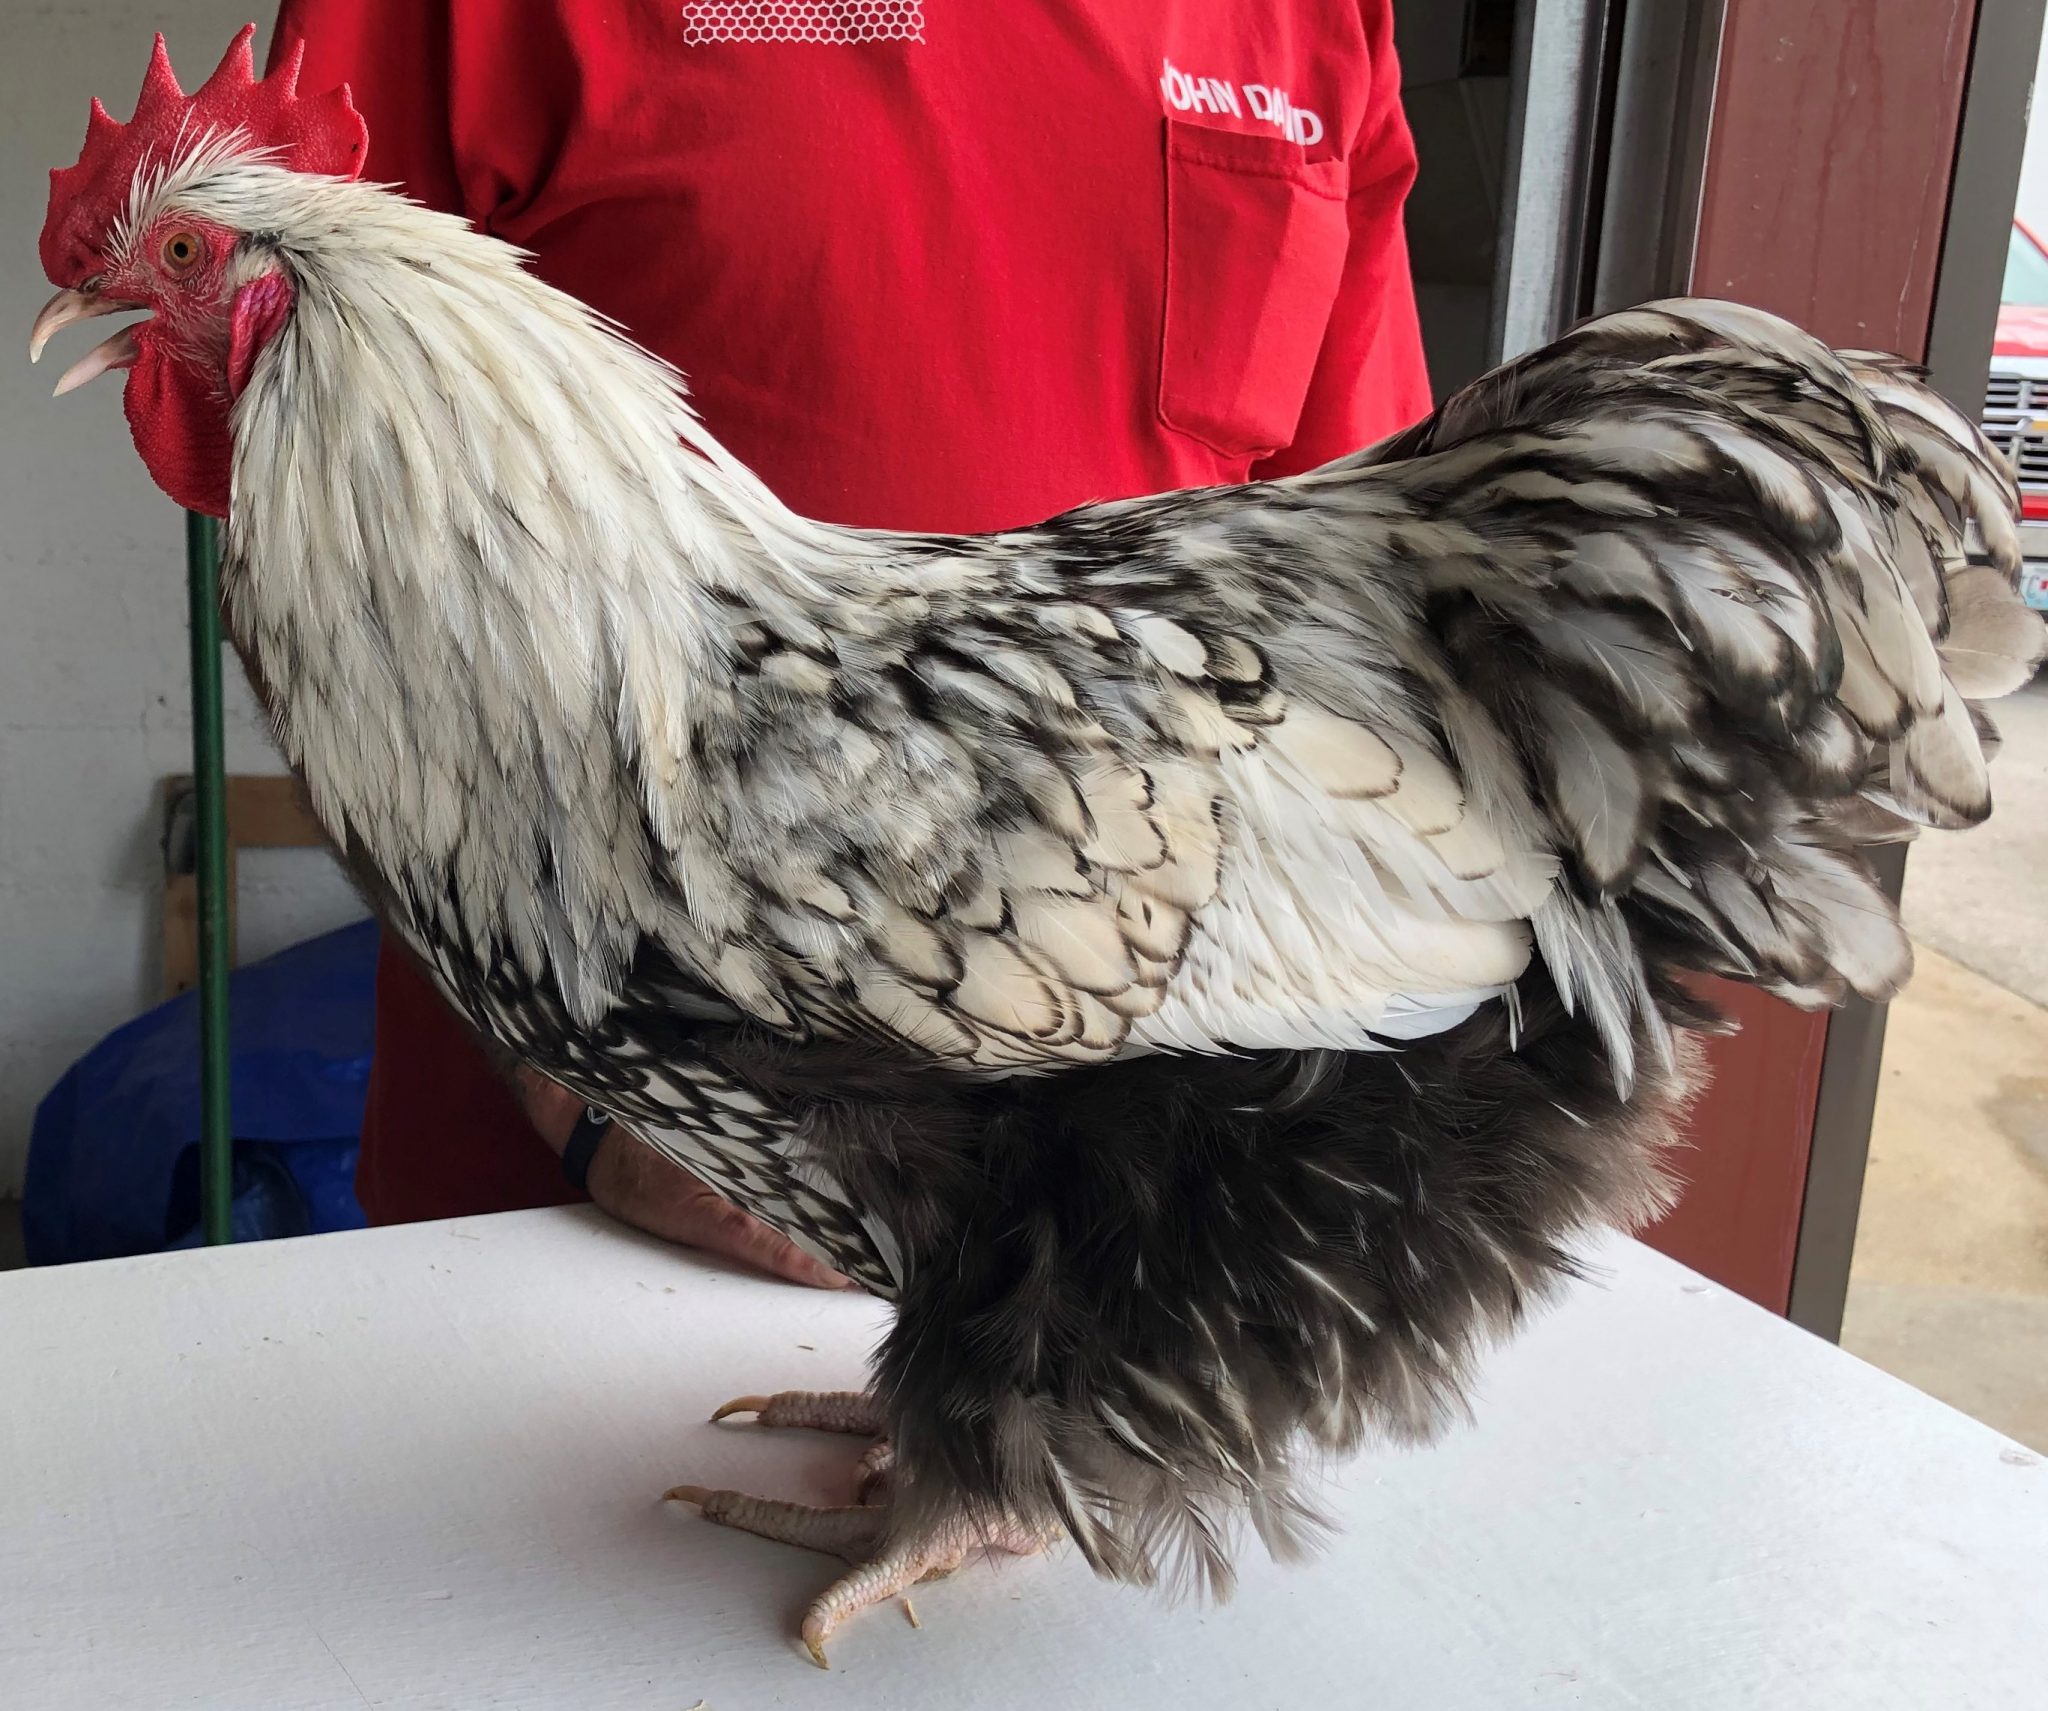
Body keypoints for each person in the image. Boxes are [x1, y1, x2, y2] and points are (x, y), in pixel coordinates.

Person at [272, 0, 1431, 1282]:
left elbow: (1354, 624)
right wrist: (593, 1105)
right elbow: (327, 546)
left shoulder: (1307, 21)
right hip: (606, 1205)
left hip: (1116, 1226)